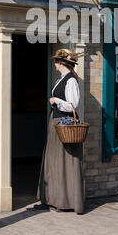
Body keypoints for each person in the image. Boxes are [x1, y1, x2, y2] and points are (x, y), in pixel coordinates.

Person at [34, 49, 85, 214]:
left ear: (62, 63)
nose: (54, 64)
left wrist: (56, 100)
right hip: (55, 122)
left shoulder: (71, 81)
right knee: (53, 161)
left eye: (56, 61)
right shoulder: (61, 79)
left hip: (64, 123)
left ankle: (65, 201)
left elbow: (73, 105)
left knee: (65, 162)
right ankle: (51, 199)